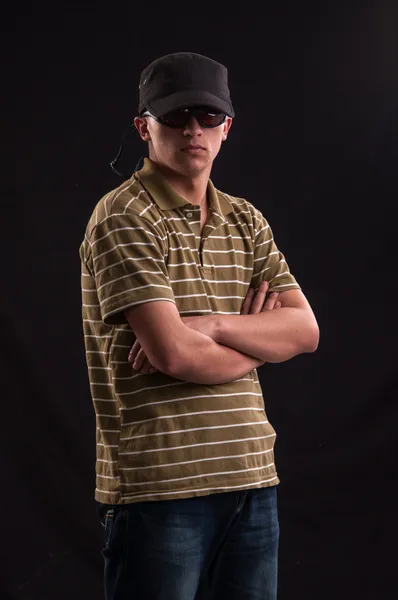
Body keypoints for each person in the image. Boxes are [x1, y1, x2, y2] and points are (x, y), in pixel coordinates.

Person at [79, 51, 319, 600]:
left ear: (226, 127)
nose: (194, 129)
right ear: (144, 126)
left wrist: (209, 324)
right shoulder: (123, 215)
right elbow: (174, 355)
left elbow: (305, 330)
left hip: (253, 479)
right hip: (162, 489)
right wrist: (259, 340)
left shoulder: (246, 219)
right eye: (176, 115)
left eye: (208, 117)